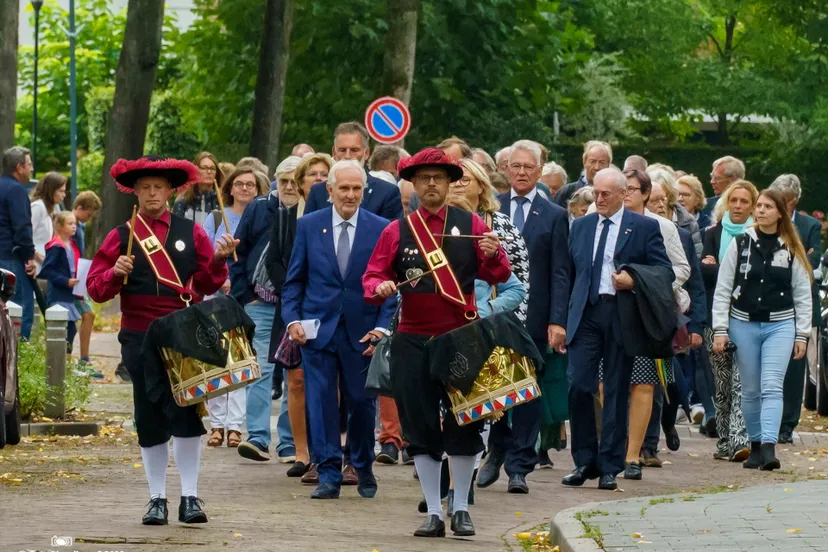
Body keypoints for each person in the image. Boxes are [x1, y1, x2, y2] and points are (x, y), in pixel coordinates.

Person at [363, 147, 511, 538]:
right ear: (412, 184)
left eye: (439, 178)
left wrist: (495, 255)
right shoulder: (397, 230)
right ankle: (432, 511)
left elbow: (498, 274)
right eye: (424, 178)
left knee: (467, 423)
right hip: (412, 339)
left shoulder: (473, 224)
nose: (431, 184)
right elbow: (373, 276)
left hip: (462, 338)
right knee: (420, 427)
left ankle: (460, 506)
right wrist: (379, 286)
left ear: (449, 183)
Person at [87, 155, 237, 525]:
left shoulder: (191, 232)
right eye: (145, 188)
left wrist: (219, 260)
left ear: (171, 191)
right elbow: (95, 287)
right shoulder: (120, 236)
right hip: (138, 333)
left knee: (186, 411)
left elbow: (206, 283)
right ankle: (156, 498)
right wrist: (113, 274)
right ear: (135, 192)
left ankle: (190, 496)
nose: (152, 193)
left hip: (182, 331)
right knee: (149, 413)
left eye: (159, 187)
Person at [281, 160, 397, 499]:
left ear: (364, 191)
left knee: (361, 402)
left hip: (363, 332)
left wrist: (382, 328)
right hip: (317, 331)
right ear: (329, 190)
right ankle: (328, 471)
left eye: (356, 188)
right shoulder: (308, 225)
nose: (350, 195)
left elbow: (390, 284)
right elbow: (294, 283)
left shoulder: (381, 228)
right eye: (343, 188)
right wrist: (293, 321)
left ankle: (361, 465)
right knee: (320, 402)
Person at [562, 168, 672, 491]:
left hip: (621, 314)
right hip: (586, 314)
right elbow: (568, 273)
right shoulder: (581, 226)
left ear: (624, 194)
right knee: (578, 385)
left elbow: (664, 271)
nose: (598, 200)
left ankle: (611, 464)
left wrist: (634, 279)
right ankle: (584, 460)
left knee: (615, 389)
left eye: (605, 194)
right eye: (595, 193)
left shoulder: (644, 227)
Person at [479, 140, 569, 494]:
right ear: (506, 169)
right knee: (498, 385)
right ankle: (495, 453)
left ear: (540, 170)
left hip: (535, 315)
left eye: (528, 167)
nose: (520, 172)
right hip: (495, 314)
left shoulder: (554, 216)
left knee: (529, 390)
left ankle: (520, 465)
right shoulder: (490, 210)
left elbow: (561, 272)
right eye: (515, 166)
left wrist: (557, 320)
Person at [712, 189, 812, 470]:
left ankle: (769, 446)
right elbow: (723, 289)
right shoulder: (741, 243)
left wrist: (801, 333)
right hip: (743, 322)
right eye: (760, 206)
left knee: (771, 385)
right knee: (750, 389)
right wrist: (721, 329)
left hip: (780, 324)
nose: (761, 211)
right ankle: (754, 445)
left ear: (780, 212)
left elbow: (802, 293)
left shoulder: (791, 247)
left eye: (768, 207)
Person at [613, 170, 689, 481]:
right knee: (607, 385)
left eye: (632, 189)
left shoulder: (662, 226)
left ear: (645, 193)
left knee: (647, 384)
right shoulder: (598, 218)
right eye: (623, 188)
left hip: (648, 314)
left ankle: (638, 450)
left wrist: (645, 285)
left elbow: (679, 268)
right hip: (609, 313)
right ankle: (615, 445)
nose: (626, 194)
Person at [231, 157, 299, 464]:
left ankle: (289, 441)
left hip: (295, 305)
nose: (288, 187)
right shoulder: (259, 208)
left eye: (294, 181)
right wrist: (245, 295)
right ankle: (258, 436)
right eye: (283, 181)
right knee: (261, 369)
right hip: (261, 302)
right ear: (275, 181)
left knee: (293, 374)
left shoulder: (310, 212)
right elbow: (238, 251)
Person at [203, 167, 269, 448]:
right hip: (217, 295)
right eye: (239, 184)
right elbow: (205, 254)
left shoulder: (262, 216)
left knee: (242, 359)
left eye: (251, 185)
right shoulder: (217, 217)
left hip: (245, 298)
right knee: (218, 359)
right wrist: (222, 276)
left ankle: (235, 426)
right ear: (229, 188)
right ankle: (216, 423)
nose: (244, 189)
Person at [701, 180, 757, 461]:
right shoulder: (711, 234)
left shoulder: (759, 237)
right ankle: (724, 440)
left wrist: (718, 267)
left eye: (744, 201)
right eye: (733, 200)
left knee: (741, 380)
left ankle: (739, 440)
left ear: (752, 206)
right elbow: (704, 274)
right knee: (721, 383)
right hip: (716, 317)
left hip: (747, 318)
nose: (737, 206)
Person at [769, 175, 822, 444]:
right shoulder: (766, 224)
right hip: (769, 302)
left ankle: (787, 423)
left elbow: (811, 259)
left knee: (794, 366)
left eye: (787, 201)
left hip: (799, 304)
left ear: (795, 201)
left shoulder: (809, 224)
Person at [304, 122, 402, 220]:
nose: (347, 156)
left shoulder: (387, 193)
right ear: (334, 152)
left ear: (366, 153)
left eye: (354, 150)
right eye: (342, 150)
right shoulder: (318, 192)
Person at [0, 146, 36, 339]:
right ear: (19, 167)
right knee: (19, 311)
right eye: (29, 164)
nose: (32, 169)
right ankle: (18, 357)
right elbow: (22, 226)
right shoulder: (16, 191)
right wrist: (29, 256)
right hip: (12, 259)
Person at [39, 211, 82, 352]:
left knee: (71, 330)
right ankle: (60, 361)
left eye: (75, 223)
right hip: (58, 293)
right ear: (59, 226)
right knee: (66, 329)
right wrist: (65, 281)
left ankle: (65, 361)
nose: (74, 226)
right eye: (70, 224)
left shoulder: (72, 245)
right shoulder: (56, 246)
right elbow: (47, 270)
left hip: (69, 293)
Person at [71, 191, 102, 369]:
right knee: (88, 314)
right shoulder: (72, 225)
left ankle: (84, 356)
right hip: (75, 278)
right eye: (88, 214)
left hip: (79, 275)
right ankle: (83, 358)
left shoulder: (79, 226)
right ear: (80, 208)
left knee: (88, 315)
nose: (89, 219)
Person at [648, 167, 702, 260]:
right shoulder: (641, 220)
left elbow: (696, 258)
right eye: (654, 199)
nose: (660, 203)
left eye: (663, 197)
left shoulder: (688, 222)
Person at [554, 141, 612, 207]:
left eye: (602, 162)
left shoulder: (614, 193)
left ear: (608, 165)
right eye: (592, 162)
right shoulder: (566, 192)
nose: (597, 167)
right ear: (584, 162)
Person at [30, 172, 67, 273]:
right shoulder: (38, 207)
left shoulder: (49, 209)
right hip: (34, 267)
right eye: (61, 191)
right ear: (51, 191)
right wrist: (42, 259)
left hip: (43, 267)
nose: (64, 195)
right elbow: (25, 238)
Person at [172, 152, 222, 225]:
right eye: (204, 168)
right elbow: (176, 232)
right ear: (195, 170)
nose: (209, 172)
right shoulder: (182, 203)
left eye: (212, 168)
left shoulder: (223, 203)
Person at [701, 156, 745, 222]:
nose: (712, 181)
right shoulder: (705, 206)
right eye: (712, 177)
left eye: (716, 178)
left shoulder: (752, 206)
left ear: (733, 181)